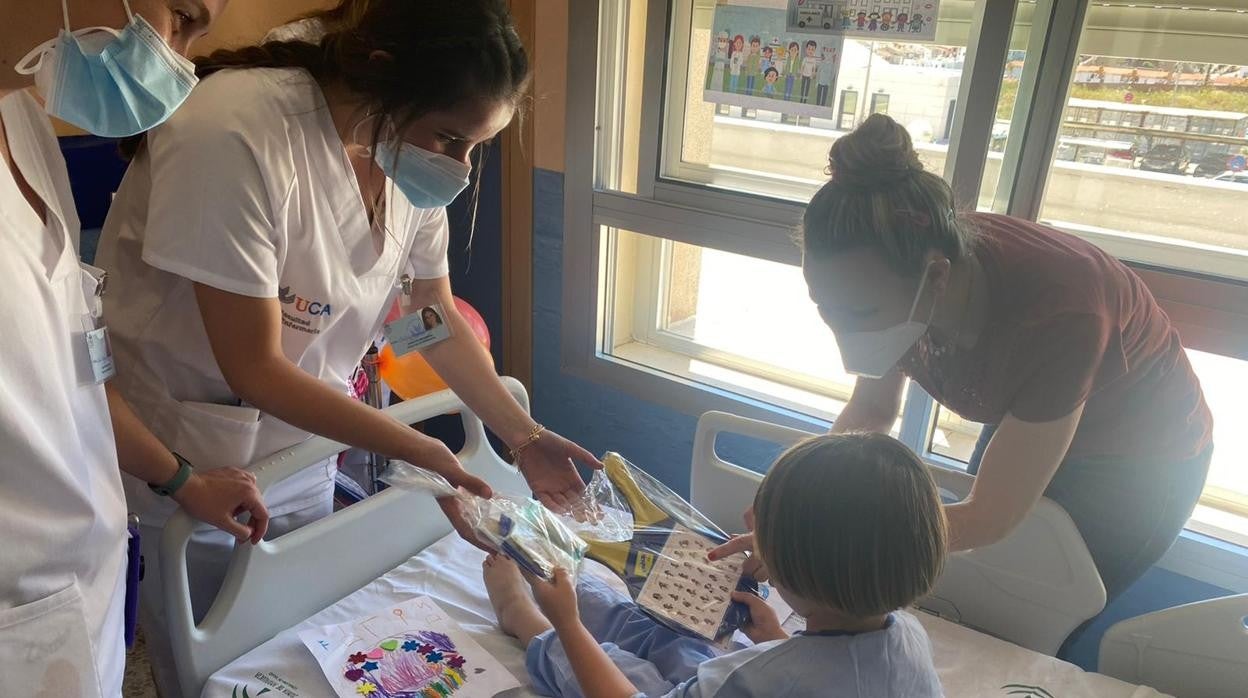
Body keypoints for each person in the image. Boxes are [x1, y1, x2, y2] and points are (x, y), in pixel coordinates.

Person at [95, 1, 600, 694]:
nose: (459, 165)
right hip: (193, 445)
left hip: (306, 438)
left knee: (294, 633)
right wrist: (423, 450)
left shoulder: (405, 153)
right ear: (385, 79)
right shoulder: (235, 132)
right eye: (452, 138)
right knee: (218, 659)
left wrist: (523, 433)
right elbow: (257, 366)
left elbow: (428, 317)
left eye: (475, 146)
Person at [712, 114, 1213, 645]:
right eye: (824, 307)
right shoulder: (898, 268)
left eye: (858, 312)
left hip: (1140, 461)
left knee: (1023, 620)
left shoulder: (1063, 310)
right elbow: (872, 412)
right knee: (959, 592)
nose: (843, 331)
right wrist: (794, 497)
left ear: (937, 277)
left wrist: (812, 541)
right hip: (1032, 414)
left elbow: (992, 516)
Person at [0, 1, 270, 696]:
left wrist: (181, 478)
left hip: (81, 593)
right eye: (181, 16)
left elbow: (79, 370)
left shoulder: (22, 121)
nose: (179, 55)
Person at [485, 432, 946, 698]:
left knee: (621, 668)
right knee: (684, 644)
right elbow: (837, 675)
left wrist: (565, 623)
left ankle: (523, 614)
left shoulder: (763, 679)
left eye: (764, 525)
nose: (747, 520)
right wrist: (779, 639)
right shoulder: (907, 635)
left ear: (796, 570)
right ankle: (572, 587)